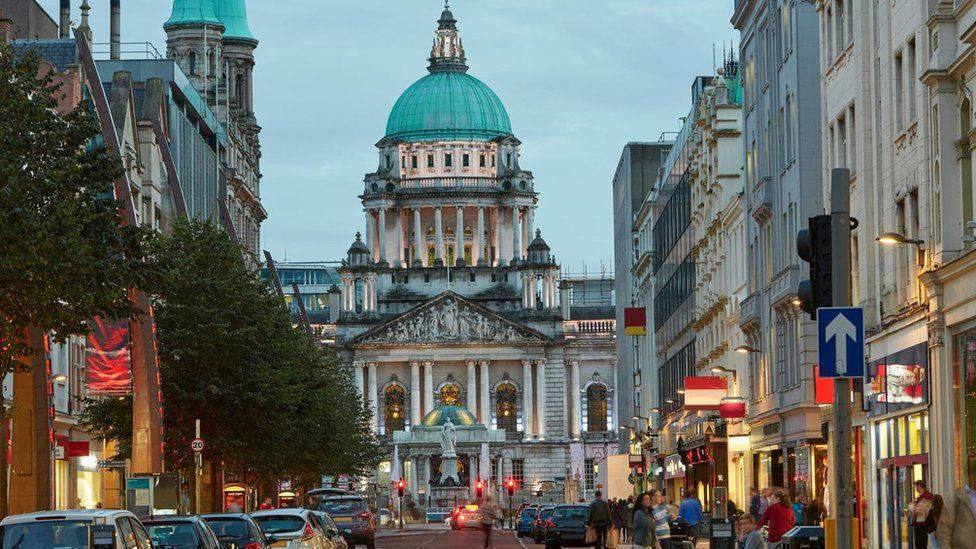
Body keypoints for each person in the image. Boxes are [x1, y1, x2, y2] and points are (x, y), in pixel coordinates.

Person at [910, 480, 934, 549]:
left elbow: (918, 509)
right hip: (918, 523)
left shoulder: (927, 496)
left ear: (920, 486)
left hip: (922, 524)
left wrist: (913, 509)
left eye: (916, 487)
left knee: (921, 544)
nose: (916, 489)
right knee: (919, 544)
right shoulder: (920, 497)